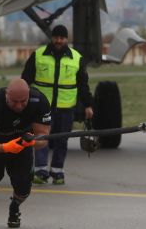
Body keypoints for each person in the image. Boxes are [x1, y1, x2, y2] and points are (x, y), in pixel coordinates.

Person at [0, 78, 51, 228]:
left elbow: (44, 138)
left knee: (23, 187)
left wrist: (32, 141)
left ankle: (15, 206)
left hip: (22, 146)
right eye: (14, 101)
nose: (19, 106)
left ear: (28, 96)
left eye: (23, 101)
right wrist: (6, 147)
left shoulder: (38, 101)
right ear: (7, 95)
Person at [21, 24, 92, 185]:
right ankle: (40, 171)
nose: (59, 40)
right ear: (51, 38)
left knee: (62, 140)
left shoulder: (76, 58)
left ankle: (57, 172)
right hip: (41, 108)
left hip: (66, 108)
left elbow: (83, 85)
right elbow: (25, 79)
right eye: (56, 37)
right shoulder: (38, 55)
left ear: (67, 39)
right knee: (40, 139)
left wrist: (88, 105)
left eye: (62, 38)